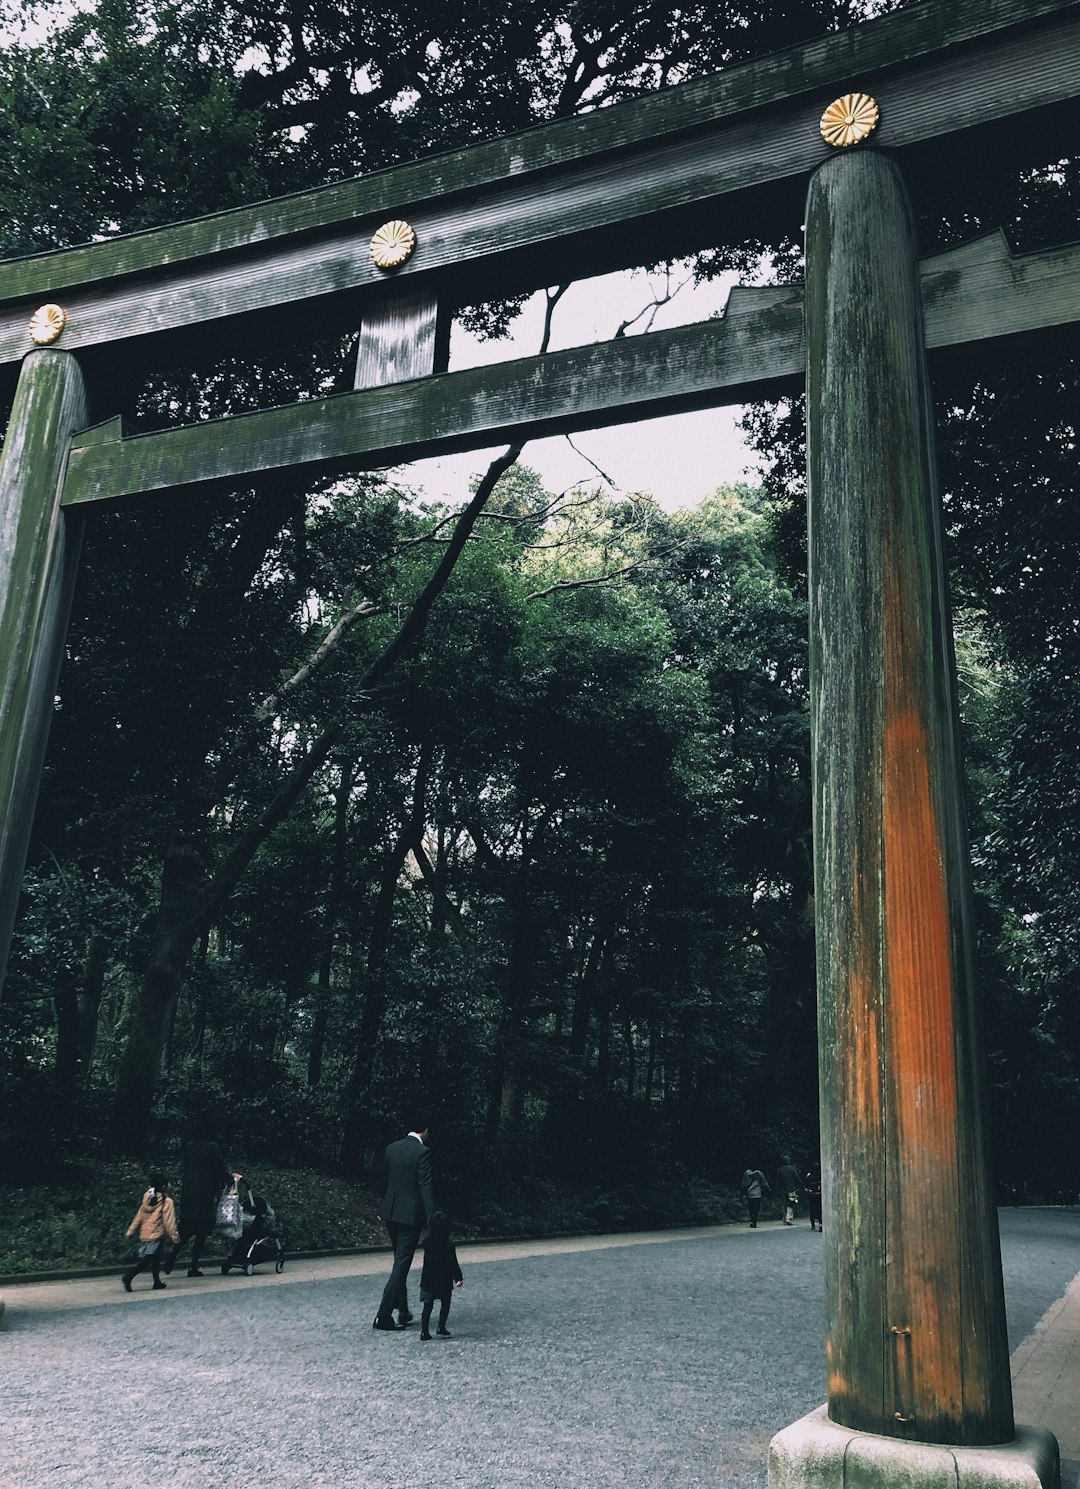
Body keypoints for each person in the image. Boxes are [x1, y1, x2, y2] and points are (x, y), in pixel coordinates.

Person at [373, 1117, 435, 1331]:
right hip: (410, 1216)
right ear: (425, 1130)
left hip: (392, 1211)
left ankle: (403, 1310)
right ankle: (383, 1315)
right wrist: (431, 1218)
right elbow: (425, 1186)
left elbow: (385, 1178)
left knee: (398, 1261)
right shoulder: (423, 1152)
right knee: (401, 1264)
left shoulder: (392, 1149)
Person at [168, 1119, 237, 1278]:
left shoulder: (190, 1147)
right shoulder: (212, 1147)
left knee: (185, 1229)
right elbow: (219, 1169)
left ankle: (173, 1253)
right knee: (201, 1233)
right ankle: (193, 1267)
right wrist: (229, 1179)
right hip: (205, 1195)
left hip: (189, 1193)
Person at [122, 1171, 179, 1291]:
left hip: (146, 1233)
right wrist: (174, 1236)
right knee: (149, 1258)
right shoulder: (167, 1201)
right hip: (157, 1233)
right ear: (164, 1186)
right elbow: (169, 1220)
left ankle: (157, 1282)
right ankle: (129, 1276)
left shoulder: (147, 1197)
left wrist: (130, 1231)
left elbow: (139, 1215)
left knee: (156, 1258)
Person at [418, 1210, 463, 1340]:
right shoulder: (448, 1244)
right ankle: (441, 1326)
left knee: (427, 1306)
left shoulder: (427, 1242)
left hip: (428, 1279)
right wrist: (458, 1277)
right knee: (445, 1304)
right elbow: (453, 1263)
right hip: (444, 1280)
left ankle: (424, 1331)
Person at [776, 1154, 801, 1226]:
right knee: (791, 1204)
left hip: (783, 1190)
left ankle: (784, 1218)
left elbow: (778, 1181)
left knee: (784, 1203)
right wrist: (801, 1186)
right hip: (791, 1189)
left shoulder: (780, 1169)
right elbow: (797, 1179)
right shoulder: (792, 1169)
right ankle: (788, 1218)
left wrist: (777, 1190)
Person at [805, 1163, 823, 1231]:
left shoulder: (809, 1176)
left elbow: (806, 1186)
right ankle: (821, 1224)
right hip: (819, 1194)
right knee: (819, 1210)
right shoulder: (820, 1175)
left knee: (812, 1210)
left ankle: (813, 1225)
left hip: (812, 1195)